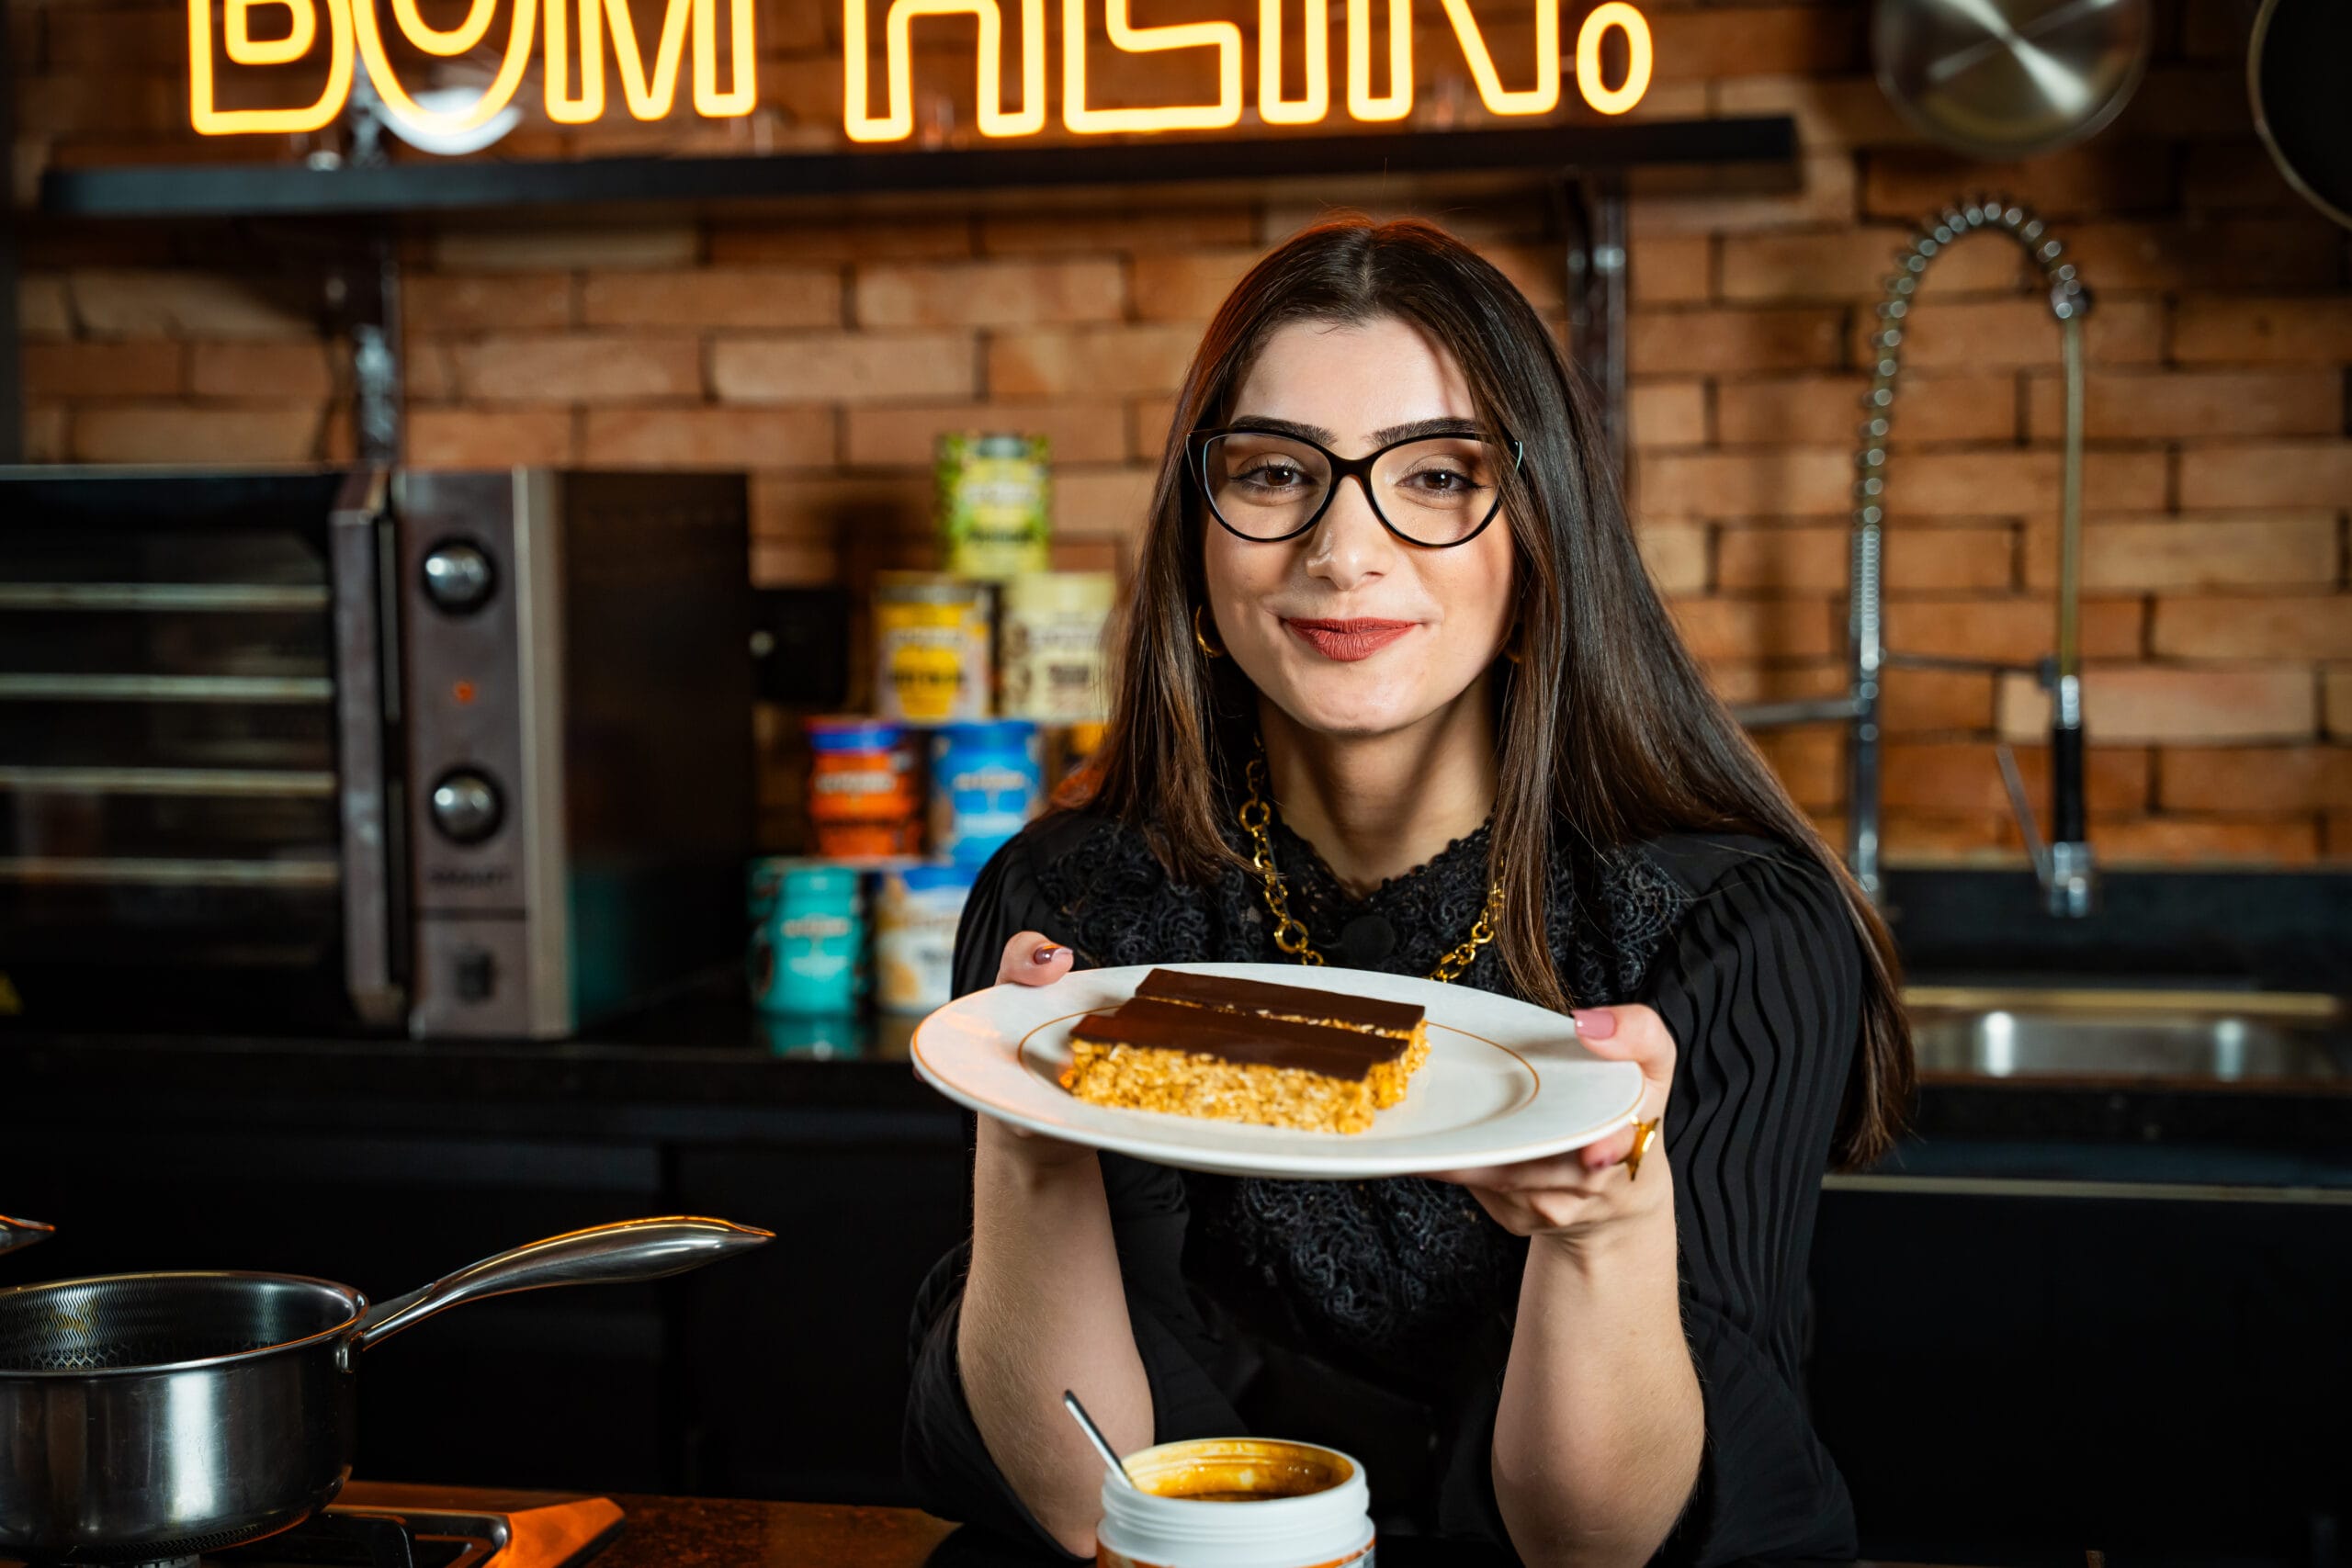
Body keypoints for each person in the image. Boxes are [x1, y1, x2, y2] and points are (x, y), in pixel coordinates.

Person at [902, 216, 1914, 1568]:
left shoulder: (1729, 931)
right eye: (1276, 472)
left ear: (1542, 540)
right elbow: (1085, 1501)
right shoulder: (1070, 907)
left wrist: (1604, 1233)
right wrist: (1031, 1136)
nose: (1344, 549)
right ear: (1196, 540)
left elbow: (1601, 1549)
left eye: (1437, 476)